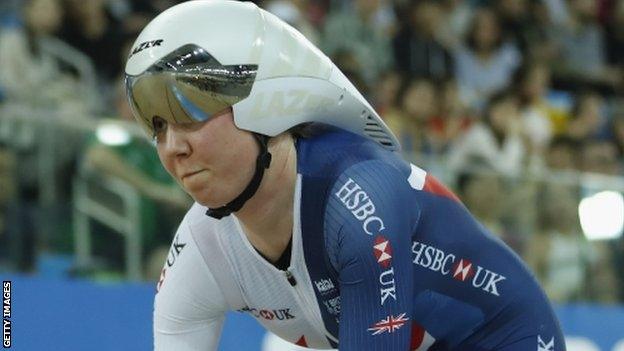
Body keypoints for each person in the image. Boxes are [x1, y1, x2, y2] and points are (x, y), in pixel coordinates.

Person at [124, 1, 565, 350]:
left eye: (189, 113)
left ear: (264, 103)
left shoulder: (357, 196)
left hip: (505, 338)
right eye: (157, 126)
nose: (171, 148)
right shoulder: (202, 247)